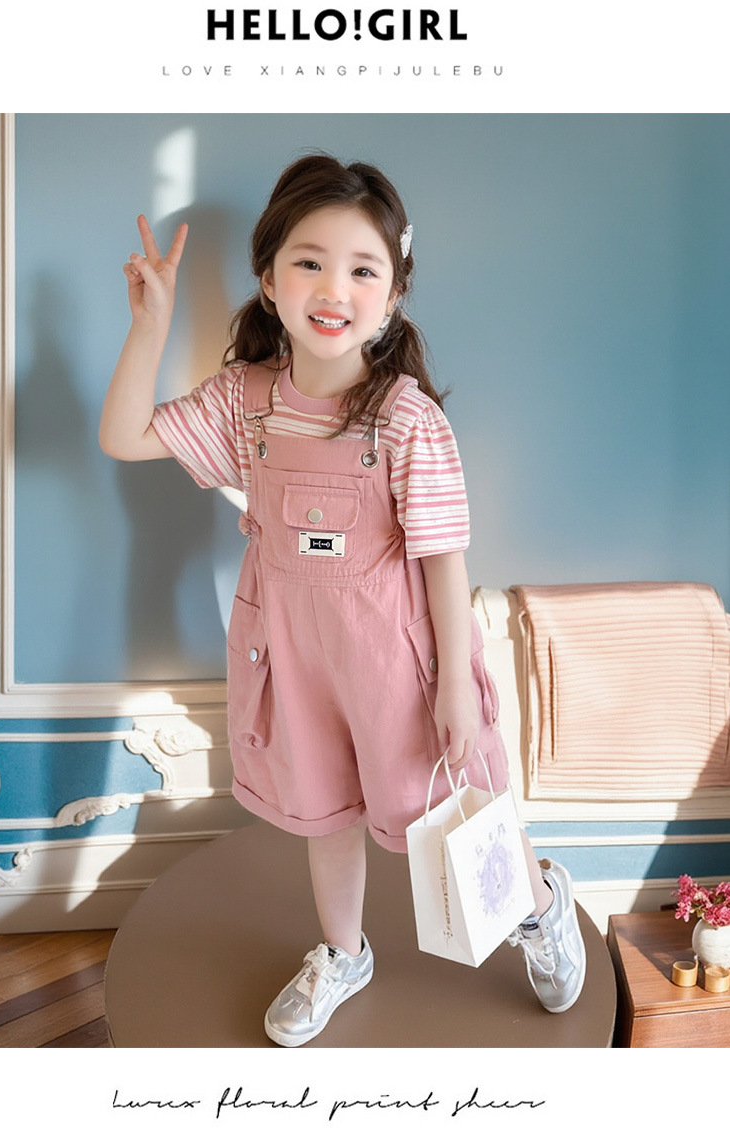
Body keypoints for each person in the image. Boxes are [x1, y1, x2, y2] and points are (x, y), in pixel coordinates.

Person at [99, 153, 586, 1046]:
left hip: (400, 663)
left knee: (458, 808)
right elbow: (126, 435)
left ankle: (539, 905)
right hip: (293, 654)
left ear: (393, 295)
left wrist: (452, 686)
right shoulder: (246, 402)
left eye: (363, 269)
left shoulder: (406, 418)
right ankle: (342, 953)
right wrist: (152, 323)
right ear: (269, 279)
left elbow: (442, 560)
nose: (334, 288)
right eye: (310, 262)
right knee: (324, 812)